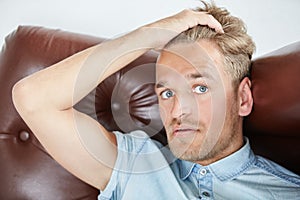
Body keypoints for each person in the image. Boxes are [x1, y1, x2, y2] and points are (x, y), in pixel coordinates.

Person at [12, 1, 300, 199]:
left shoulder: (287, 192)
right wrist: (149, 35)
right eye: (167, 93)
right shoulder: (137, 165)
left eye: (199, 88)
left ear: (243, 98)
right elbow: (32, 98)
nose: (177, 111)